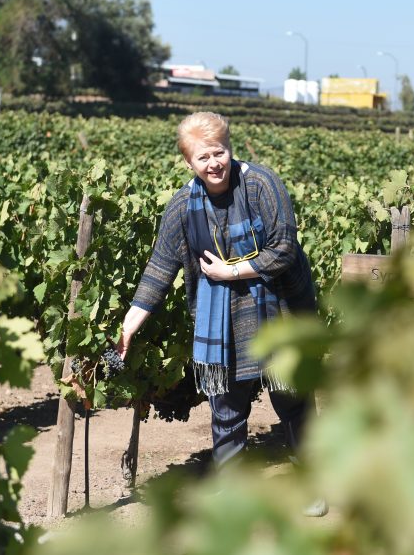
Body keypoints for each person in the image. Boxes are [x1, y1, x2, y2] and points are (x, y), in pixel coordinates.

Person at [115, 111, 321, 487]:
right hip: (223, 326)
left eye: (219, 152)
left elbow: (285, 248)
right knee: (226, 414)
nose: (214, 163)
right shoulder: (182, 207)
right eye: (203, 157)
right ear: (188, 162)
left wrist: (232, 271)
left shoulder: (260, 184)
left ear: (230, 147)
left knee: (294, 404)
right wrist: (128, 328)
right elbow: (159, 270)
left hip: (281, 315)